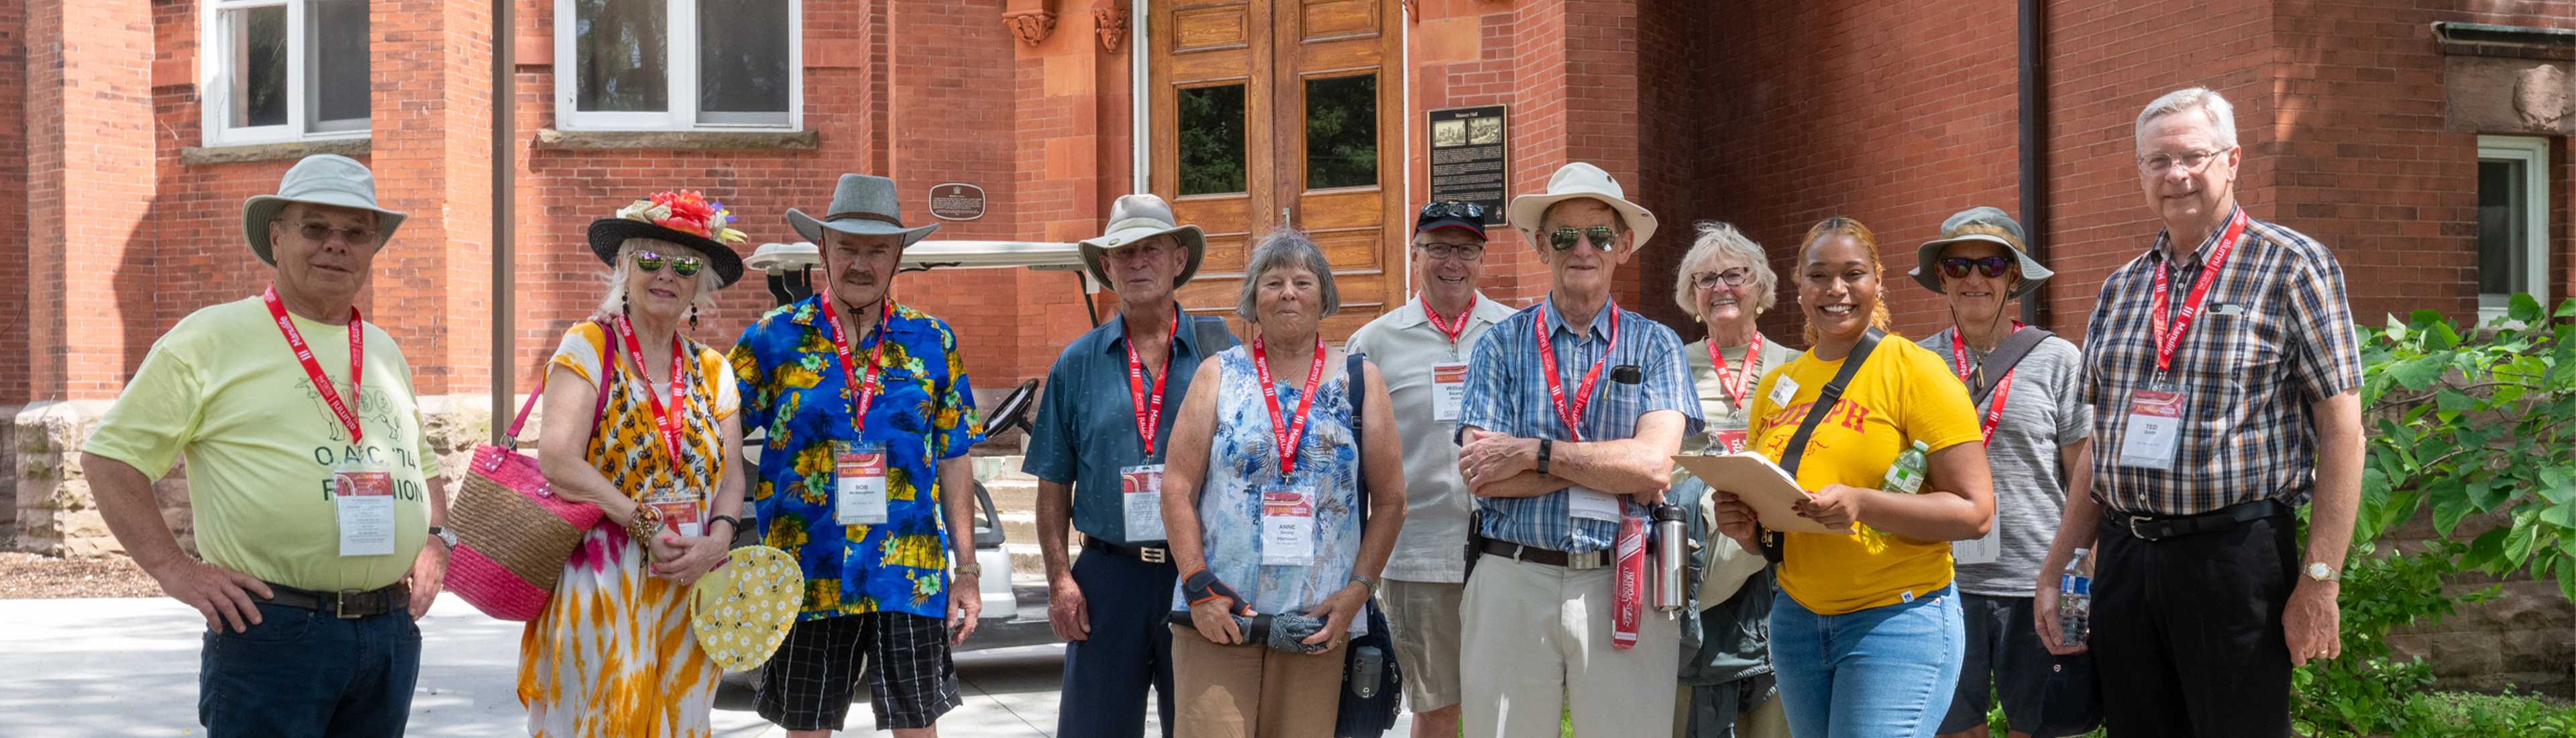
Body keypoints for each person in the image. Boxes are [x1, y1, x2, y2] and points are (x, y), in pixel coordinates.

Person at [80, 154, 446, 737]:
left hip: (387, 633)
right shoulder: (211, 338)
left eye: (355, 233)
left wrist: (434, 539)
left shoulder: (381, 349)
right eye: (315, 228)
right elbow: (109, 459)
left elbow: (422, 464)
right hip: (274, 630)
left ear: (373, 249)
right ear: (276, 238)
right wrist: (175, 570)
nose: (336, 245)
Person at [2037, 87, 2364, 737]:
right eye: (2158, 161)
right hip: (2129, 558)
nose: (2176, 174)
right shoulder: (2123, 287)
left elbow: (2343, 430)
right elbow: (2102, 446)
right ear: (2140, 171)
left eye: (2193, 156)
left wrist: (2320, 579)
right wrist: (2057, 570)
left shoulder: (2292, 267)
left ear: (2232, 159)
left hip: (2234, 557)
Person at [1707, 216, 1997, 738]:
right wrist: (1746, 525)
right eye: (1819, 275)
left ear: (1878, 281)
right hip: (1797, 621)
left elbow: (1975, 513)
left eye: (1852, 274)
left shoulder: (1917, 371)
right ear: (1798, 285)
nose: (1836, 290)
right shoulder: (1781, 383)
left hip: (1896, 621)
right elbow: (1773, 531)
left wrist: (1864, 502)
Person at [730, 174, 987, 737]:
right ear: (822, 249)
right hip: (804, 571)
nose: (861, 264)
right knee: (807, 728)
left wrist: (966, 570)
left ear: (899, 256)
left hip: (908, 574)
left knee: (918, 727)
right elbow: (715, 434)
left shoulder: (932, 340)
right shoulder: (773, 339)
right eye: (847, 247)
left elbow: (955, 457)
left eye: (878, 250)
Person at [1453, 162, 1703, 738]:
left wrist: (1536, 453)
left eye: (1600, 234)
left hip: (1625, 577)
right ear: (1542, 246)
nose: (1582, 248)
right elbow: (1484, 476)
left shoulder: (1657, 343)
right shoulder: (1499, 344)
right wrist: (1607, 468)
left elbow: (1653, 466)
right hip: (1511, 573)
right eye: (1565, 235)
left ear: (1624, 245)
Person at [518, 190, 751, 735]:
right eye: (650, 259)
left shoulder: (715, 370)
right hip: (600, 580)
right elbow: (557, 458)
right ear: (624, 268)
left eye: (685, 265)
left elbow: (733, 476)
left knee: (680, 723)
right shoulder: (587, 346)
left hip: (688, 579)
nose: (666, 274)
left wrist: (719, 541)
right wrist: (641, 521)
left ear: (701, 285)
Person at [1158, 228, 1405, 738]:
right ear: (1253, 300)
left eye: (1302, 281)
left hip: (1317, 624)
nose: (1287, 293)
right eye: (1272, 282)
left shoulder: (1360, 380)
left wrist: (1358, 593)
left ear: (1324, 297)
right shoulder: (1217, 375)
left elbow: (1393, 499)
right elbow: (1176, 487)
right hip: (1219, 619)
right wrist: (1198, 586)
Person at [1023, 193, 1237, 738]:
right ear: (1108, 268)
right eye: (1124, 252)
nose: (1138, 262)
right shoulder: (1076, 364)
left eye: (1151, 249)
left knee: (1201, 729)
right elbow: (1053, 485)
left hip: (1200, 573)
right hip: (1106, 578)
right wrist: (1059, 580)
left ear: (1178, 260)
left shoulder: (1222, 354)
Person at [1897, 207, 2093, 738]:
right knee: (1953, 729)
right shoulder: (1913, 363)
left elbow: (2085, 478)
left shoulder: (2059, 360)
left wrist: (2082, 573)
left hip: (2037, 581)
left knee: (2043, 728)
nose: (1975, 279)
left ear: (2014, 277)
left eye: (1991, 265)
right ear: (1941, 276)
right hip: (1940, 581)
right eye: (1959, 265)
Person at [1341, 200, 1516, 738]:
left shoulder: (1515, 332)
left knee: (1507, 706)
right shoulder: (1374, 343)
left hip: (1510, 552)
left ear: (1483, 259)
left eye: (1465, 249)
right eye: (1438, 248)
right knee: (1438, 711)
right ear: (1415, 253)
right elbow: (1350, 468)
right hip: (1418, 557)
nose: (1452, 262)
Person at [1665, 221, 1796, 738]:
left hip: (1777, 569)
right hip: (1700, 553)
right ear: (1691, 297)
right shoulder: (1673, 363)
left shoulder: (1798, 365)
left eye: (1733, 275)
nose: (1720, 287)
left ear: (1759, 287)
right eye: (1705, 279)